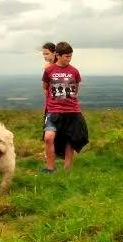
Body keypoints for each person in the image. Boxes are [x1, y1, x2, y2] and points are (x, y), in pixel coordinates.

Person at [41, 41, 87, 172]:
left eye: (70, 56)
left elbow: (75, 89)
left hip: (72, 110)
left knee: (69, 139)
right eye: (66, 56)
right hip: (53, 111)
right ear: (58, 55)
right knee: (48, 137)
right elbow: (45, 87)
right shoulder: (49, 70)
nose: (69, 59)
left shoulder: (74, 71)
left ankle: (67, 169)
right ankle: (50, 168)